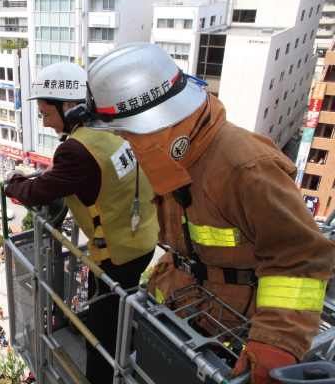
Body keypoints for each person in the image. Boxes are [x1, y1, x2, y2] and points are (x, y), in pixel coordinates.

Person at [82, 43, 335, 384]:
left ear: (155, 124)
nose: (125, 141)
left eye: (126, 132)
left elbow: (301, 257)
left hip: (234, 329)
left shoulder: (244, 166)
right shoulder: (173, 156)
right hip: (183, 310)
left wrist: (278, 341)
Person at [4, 62, 159, 384]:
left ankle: (103, 376)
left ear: (70, 107)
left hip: (116, 252)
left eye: (47, 113)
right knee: (118, 306)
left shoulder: (76, 149)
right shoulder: (111, 129)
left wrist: (12, 183)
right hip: (142, 238)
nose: (45, 124)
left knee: (101, 331)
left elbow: (36, 191)